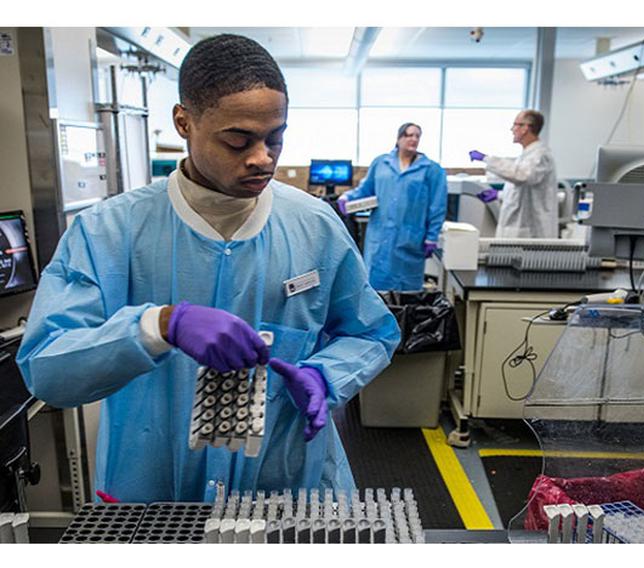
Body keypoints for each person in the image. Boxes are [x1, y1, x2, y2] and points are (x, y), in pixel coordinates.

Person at [16, 34, 400, 503]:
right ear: (184, 121)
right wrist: (156, 326)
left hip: (286, 487)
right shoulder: (109, 232)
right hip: (151, 495)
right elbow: (48, 370)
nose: (262, 158)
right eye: (238, 140)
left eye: (274, 138)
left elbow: (372, 332)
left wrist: (325, 375)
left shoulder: (315, 227)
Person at [338, 123, 447, 291]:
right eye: (409, 135)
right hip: (381, 239)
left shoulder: (432, 169)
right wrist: (347, 197)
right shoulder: (381, 163)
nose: (414, 139)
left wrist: (432, 237)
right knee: (376, 293)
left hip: (411, 239)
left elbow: (437, 206)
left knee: (407, 296)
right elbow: (365, 189)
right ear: (399, 138)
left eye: (417, 136)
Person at [470, 109, 558, 238]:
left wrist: (486, 159)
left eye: (515, 124)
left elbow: (522, 176)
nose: (512, 129)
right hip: (519, 229)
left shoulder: (540, 155)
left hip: (531, 231)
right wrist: (499, 195)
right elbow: (521, 191)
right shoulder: (527, 156)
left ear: (525, 128)